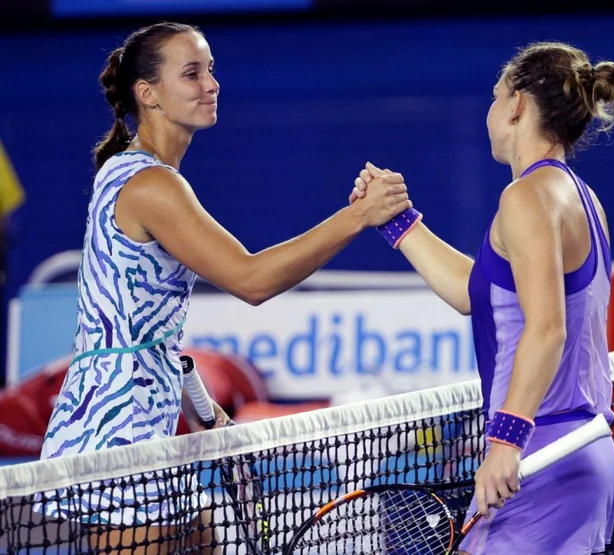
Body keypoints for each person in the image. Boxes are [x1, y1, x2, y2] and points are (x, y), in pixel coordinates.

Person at [37, 21, 412, 554]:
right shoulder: (151, 184)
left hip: (133, 413)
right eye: (191, 73)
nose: (211, 84)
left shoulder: (131, 172)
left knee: (204, 535)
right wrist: (358, 217)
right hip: (118, 429)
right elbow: (251, 279)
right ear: (149, 94)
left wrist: (197, 398)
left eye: (210, 70)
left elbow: (133, 319)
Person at [352, 41, 614, 554]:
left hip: (538, 455)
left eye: (494, 95)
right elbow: (476, 293)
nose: (490, 110)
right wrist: (398, 222)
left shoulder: (524, 197)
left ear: (517, 105)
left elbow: (548, 329)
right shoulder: (582, 198)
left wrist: (505, 442)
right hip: (587, 453)